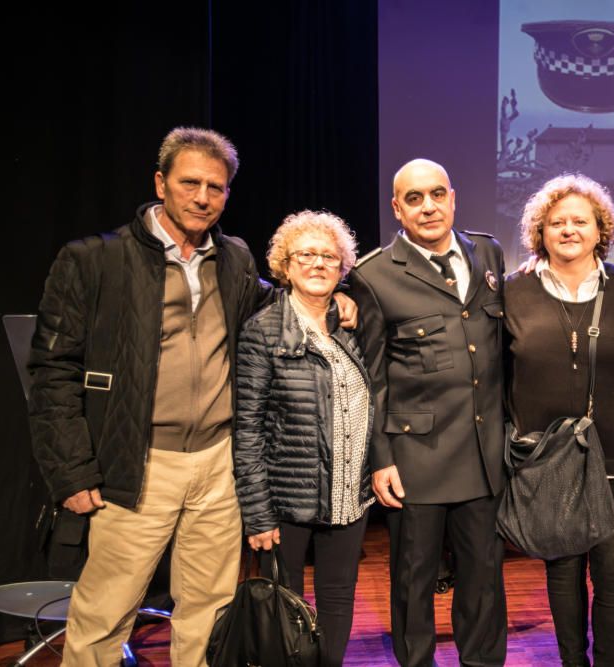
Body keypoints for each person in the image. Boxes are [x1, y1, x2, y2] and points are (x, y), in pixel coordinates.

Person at [27, 127, 355, 666]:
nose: (203, 197)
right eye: (190, 183)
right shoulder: (94, 260)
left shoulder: (234, 259)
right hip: (136, 465)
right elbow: (52, 370)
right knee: (104, 615)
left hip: (216, 465)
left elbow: (284, 304)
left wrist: (341, 293)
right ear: (161, 183)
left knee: (209, 613)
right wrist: (70, 471)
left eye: (217, 187)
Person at [347, 158, 508, 667]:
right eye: (414, 198)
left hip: (484, 453)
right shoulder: (374, 275)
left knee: (483, 580)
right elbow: (371, 379)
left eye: (437, 194)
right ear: (397, 208)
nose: (428, 206)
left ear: (453, 197)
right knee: (413, 583)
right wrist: (380, 458)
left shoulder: (489, 252)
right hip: (415, 458)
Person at [504, 173, 614, 666]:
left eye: (579, 221)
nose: (568, 230)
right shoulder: (512, 291)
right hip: (548, 464)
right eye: (556, 222)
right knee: (563, 577)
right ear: (539, 232)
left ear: (600, 229)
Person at [234, 210, 372, 667]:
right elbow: (248, 427)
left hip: (348, 498)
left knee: (337, 602)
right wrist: (257, 514)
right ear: (286, 266)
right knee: (285, 615)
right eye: (306, 255)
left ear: (342, 268)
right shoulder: (263, 331)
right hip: (285, 504)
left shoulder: (351, 328)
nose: (317, 264)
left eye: (328, 256)